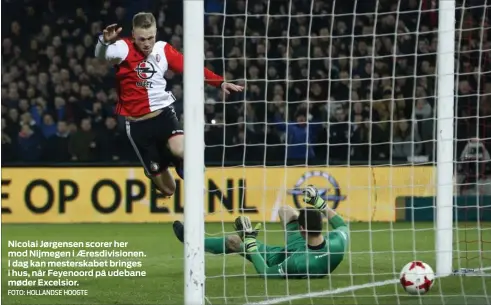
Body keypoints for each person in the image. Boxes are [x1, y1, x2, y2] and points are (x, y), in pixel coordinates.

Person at [94, 12, 243, 196]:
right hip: (137, 126)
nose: (147, 43)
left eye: (150, 37)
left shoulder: (162, 50)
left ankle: (183, 163)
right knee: (168, 190)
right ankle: (163, 162)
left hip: (163, 116)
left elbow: (192, 68)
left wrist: (219, 82)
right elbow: (101, 56)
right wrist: (104, 42)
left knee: (181, 149)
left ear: (156, 33)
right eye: (141, 39)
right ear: (133, 35)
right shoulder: (123, 48)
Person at [173, 185, 349, 278]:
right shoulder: (338, 243)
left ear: (302, 229)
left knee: (234, 241)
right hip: (304, 246)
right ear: (322, 225)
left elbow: (265, 273)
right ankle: (247, 235)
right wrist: (320, 203)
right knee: (286, 211)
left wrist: (250, 243)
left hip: (281, 257)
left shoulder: (297, 263)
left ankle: (190, 239)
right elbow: (342, 225)